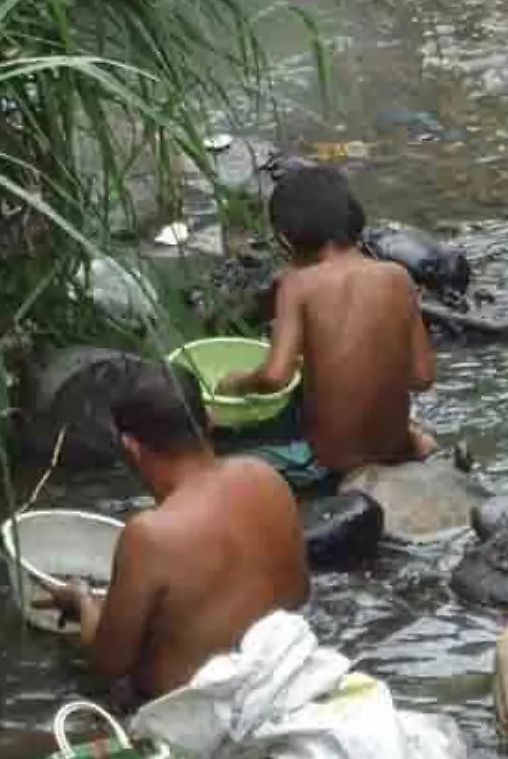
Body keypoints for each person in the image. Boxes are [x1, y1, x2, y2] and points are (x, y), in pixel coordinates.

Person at [43, 361, 308, 701]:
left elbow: (109, 664)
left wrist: (82, 600)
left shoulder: (150, 535)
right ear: (209, 420)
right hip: (283, 680)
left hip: (198, 721)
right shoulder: (267, 478)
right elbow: (298, 593)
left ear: (131, 447)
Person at [218, 165, 437, 498]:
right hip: (393, 449)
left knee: (220, 452)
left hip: (326, 461)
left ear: (286, 239)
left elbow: (275, 376)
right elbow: (422, 377)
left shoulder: (297, 283)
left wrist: (237, 381)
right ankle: (416, 443)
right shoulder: (398, 276)